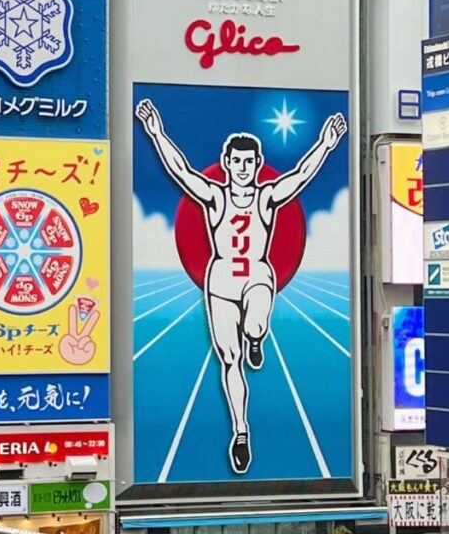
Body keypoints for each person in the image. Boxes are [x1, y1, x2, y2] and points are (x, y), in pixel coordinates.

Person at [136, 98, 347, 473]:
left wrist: (326, 145)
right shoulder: (215, 197)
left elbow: (299, 176)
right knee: (229, 360)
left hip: (256, 277)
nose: (245, 168)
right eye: (238, 162)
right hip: (219, 282)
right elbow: (181, 170)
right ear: (228, 163)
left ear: (256, 164)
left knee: (256, 323)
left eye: (251, 162)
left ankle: (256, 337)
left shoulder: (267, 198)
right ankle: (241, 430)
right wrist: (156, 133)